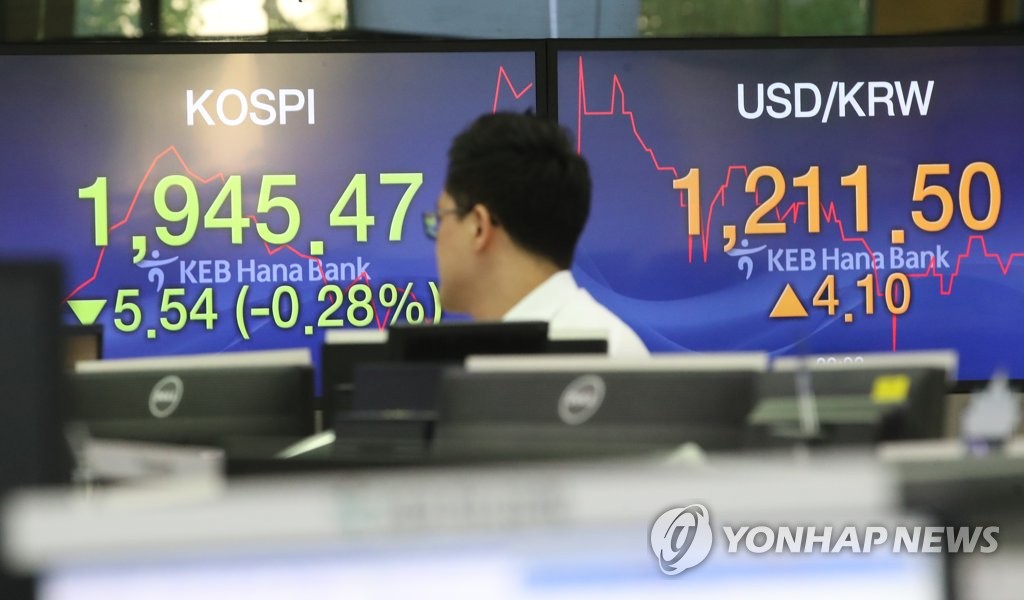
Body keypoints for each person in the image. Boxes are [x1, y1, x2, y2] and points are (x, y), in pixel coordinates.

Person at [423, 112, 649, 358]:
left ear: (478, 226)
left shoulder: (609, 354)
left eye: (440, 217)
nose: (437, 237)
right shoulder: (474, 355)